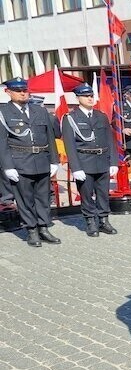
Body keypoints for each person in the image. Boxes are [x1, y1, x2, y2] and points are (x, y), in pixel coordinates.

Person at [0, 77, 61, 247]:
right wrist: (8, 166)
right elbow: (2, 142)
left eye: (25, 90)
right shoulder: (3, 113)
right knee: (25, 199)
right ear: (8, 92)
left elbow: (50, 136)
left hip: (41, 160)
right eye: (18, 91)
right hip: (20, 162)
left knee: (43, 198)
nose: (22, 93)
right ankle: (31, 230)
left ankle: (44, 228)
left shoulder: (39, 111)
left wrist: (54, 161)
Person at [61, 84, 119, 237]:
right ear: (78, 98)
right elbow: (69, 145)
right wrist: (76, 167)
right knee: (86, 194)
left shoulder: (101, 116)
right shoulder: (71, 118)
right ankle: (90, 221)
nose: (90, 98)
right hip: (84, 161)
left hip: (102, 160)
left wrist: (114, 162)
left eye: (91, 96)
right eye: (86, 96)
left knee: (103, 193)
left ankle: (104, 220)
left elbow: (110, 140)